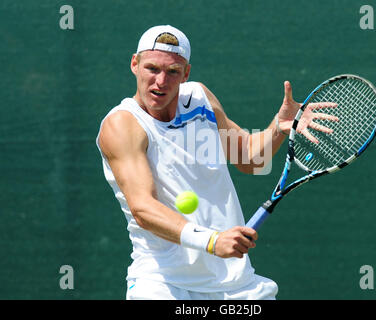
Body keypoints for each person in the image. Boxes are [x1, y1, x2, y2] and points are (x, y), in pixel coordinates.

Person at [96, 25, 337, 300]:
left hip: (237, 286)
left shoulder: (199, 99)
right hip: (164, 285)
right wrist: (211, 241)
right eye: (152, 69)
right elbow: (143, 208)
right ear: (135, 65)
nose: (161, 81)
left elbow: (249, 158)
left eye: (173, 71)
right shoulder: (123, 124)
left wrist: (278, 128)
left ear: (186, 73)